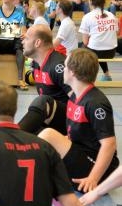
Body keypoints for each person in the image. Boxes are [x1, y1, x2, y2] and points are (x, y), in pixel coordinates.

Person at [38, 48, 119, 193]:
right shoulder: (75, 97)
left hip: (98, 170)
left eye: (65, 66)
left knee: (48, 134)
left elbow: (109, 144)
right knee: (45, 139)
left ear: (72, 72)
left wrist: (93, 179)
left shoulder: (96, 103)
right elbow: (75, 137)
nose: (62, 69)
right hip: (83, 156)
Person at [19, 25, 70, 135]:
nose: (22, 42)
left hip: (69, 122)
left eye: (27, 38)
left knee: (43, 101)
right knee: (30, 135)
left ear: (37, 43)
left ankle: (12, 136)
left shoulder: (59, 66)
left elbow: (81, 100)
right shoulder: (38, 63)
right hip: (50, 119)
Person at [79, 0, 118, 81]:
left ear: (91, 2)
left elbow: (85, 42)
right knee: (100, 44)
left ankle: (85, 77)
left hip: (96, 52)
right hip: (111, 52)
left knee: (82, 47)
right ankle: (107, 74)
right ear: (104, 2)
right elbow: (114, 33)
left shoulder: (87, 17)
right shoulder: (112, 15)